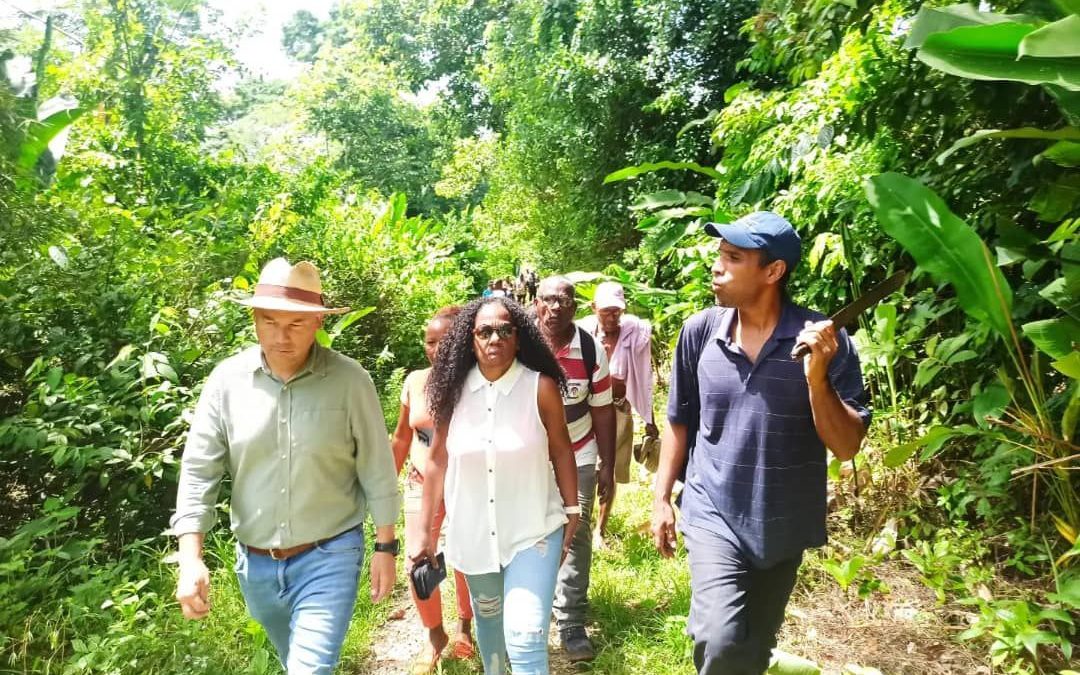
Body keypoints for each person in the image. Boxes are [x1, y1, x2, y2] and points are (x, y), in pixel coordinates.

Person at [650, 212, 871, 675]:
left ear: (773, 272)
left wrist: (816, 380)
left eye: (733, 257)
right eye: (719, 255)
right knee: (720, 638)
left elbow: (847, 445)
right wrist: (661, 499)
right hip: (712, 510)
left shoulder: (826, 342)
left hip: (783, 519)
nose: (717, 266)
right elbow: (678, 421)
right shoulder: (700, 332)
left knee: (754, 646)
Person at [171, 258, 400, 675]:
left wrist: (386, 546)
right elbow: (199, 471)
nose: (281, 336)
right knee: (291, 660)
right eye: (269, 321)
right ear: (254, 320)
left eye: (295, 324)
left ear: (317, 324)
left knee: (309, 669)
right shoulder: (226, 382)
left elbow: (377, 467)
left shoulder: (350, 381)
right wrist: (191, 559)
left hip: (330, 552)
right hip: (255, 564)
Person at [408, 296, 581, 675]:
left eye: (505, 330)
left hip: (533, 530)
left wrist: (572, 509)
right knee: (489, 624)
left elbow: (562, 451)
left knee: (525, 633)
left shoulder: (541, 388)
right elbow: (435, 460)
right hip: (474, 536)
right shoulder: (452, 393)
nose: (494, 338)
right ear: (470, 340)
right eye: (484, 331)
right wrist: (424, 532)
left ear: (519, 338)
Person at [534, 276, 616, 662]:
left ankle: (570, 619)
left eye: (563, 301)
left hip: (580, 449)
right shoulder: (521, 344)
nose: (554, 309)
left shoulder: (589, 348)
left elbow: (602, 407)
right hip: (530, 455)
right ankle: (531, 605)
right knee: (530, 526)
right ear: (536, 304)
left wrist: (607, 465)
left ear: (574, 305)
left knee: (577, 528)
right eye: (547, 301)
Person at [391, 306, 475, 674]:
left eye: (446, 341)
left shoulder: (476, 382)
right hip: (420, 482)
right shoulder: (414, 381)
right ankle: (434, 634)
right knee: (416, 560)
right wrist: (382, 485)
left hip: (465, 483)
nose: (437, 349)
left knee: (466, 558)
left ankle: (465, 626)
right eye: (430, 341)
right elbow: (401, 437)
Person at [577, 281, 658, 548]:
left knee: (609, 468)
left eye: (616, 312)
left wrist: (650, 420)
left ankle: (600, 528)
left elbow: (644, 377)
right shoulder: (584, 334)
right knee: (586, 465)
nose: (612, 317)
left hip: (618, 409)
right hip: (587, 409)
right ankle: (580, 522)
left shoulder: (633, 335)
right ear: (594, 309)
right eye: (606, 312)